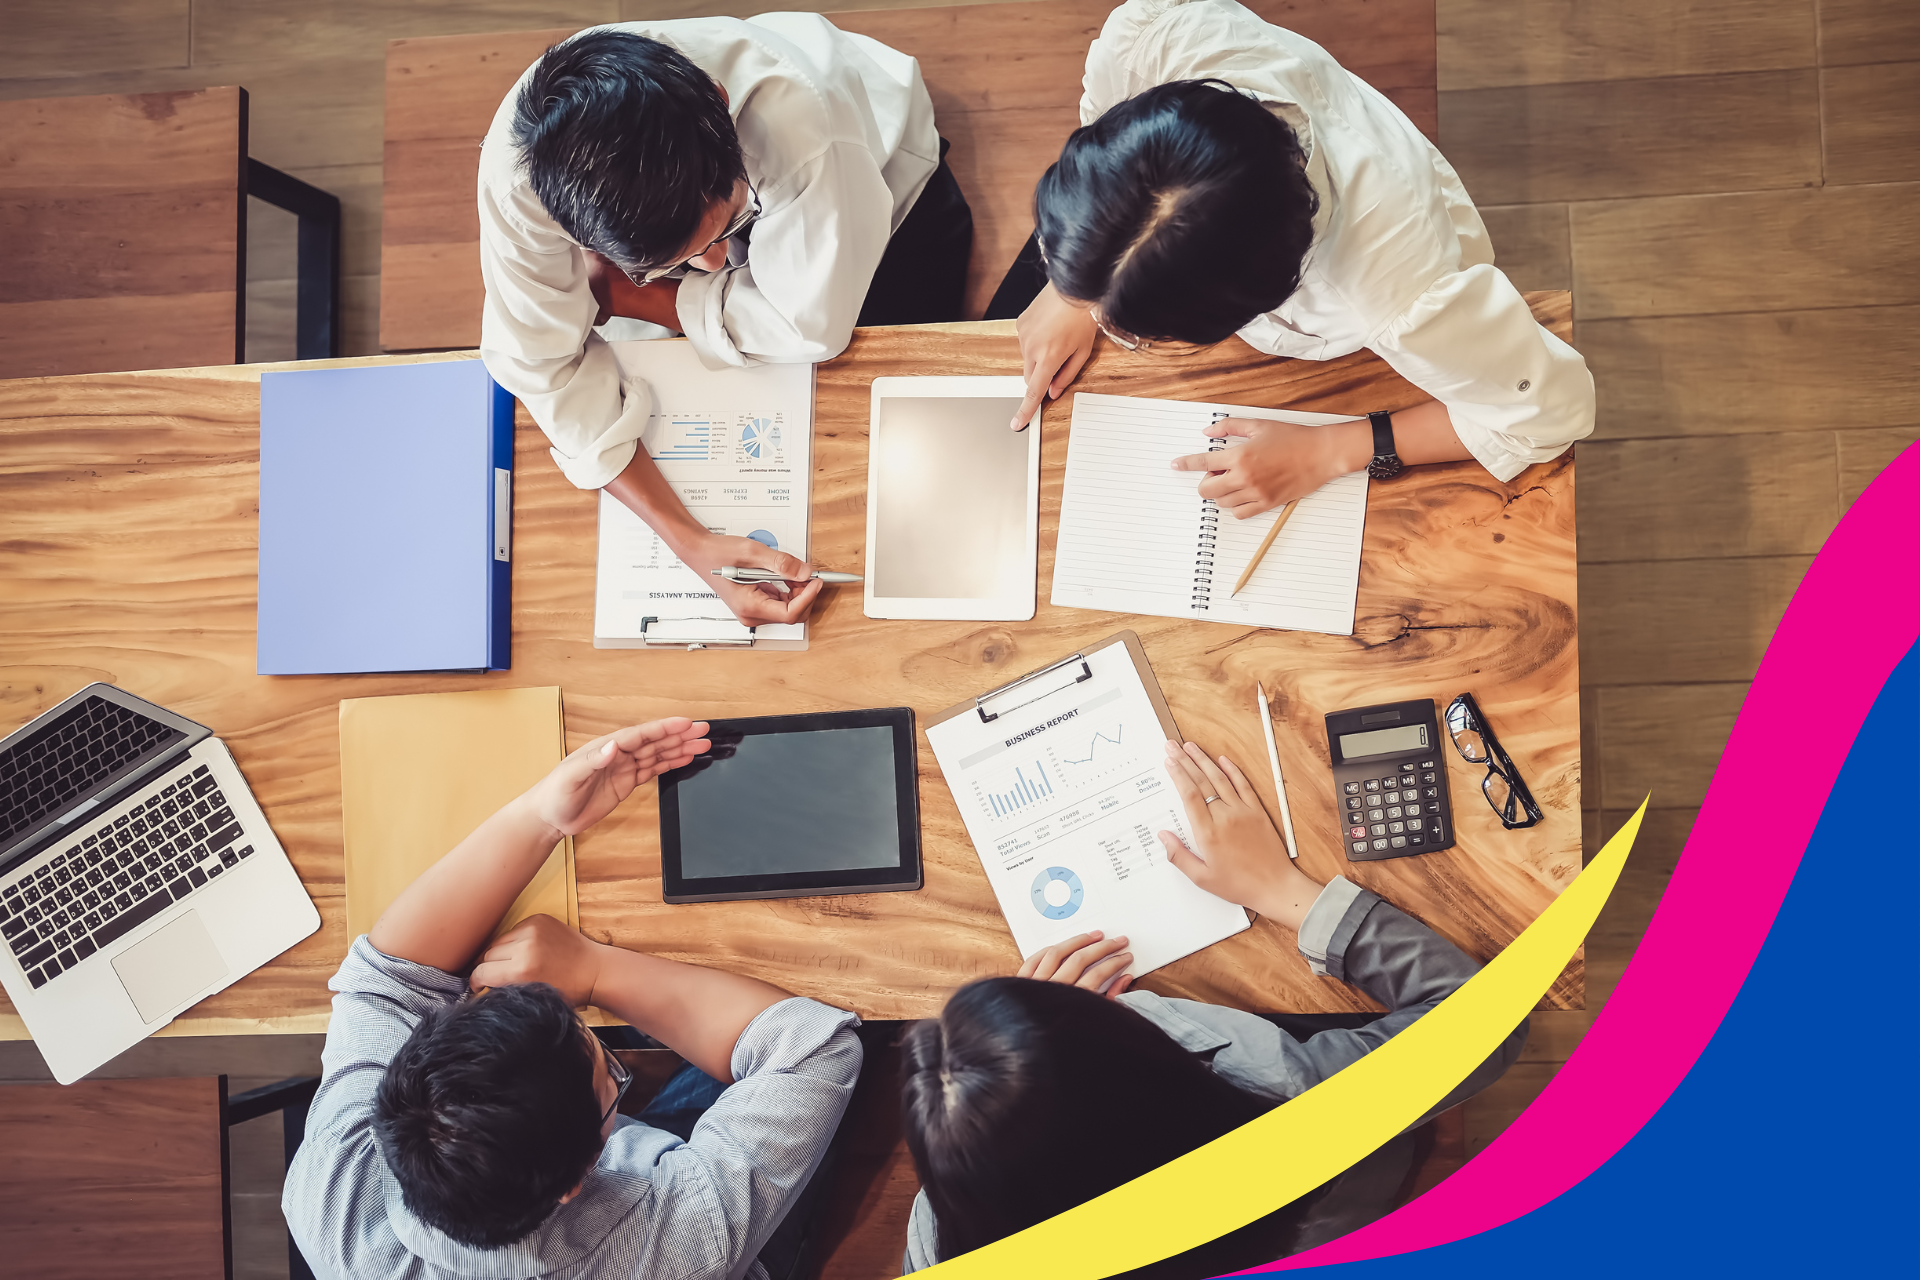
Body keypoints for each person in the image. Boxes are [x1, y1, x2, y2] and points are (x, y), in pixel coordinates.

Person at [899, 738, 1529, 1275]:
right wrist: (1282, 890)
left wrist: (1020, 1073)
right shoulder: (1288, 1096)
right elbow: (1486, 1025)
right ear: (1154, 1072)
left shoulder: (943, 1236)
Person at [282, 717, 864, 1280]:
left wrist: (540, 817)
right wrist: (594, 972)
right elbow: (815, 1046)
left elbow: (390, 982)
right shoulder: (676, 1246)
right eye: (607, 1076)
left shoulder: (331, 1194)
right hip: (688, 1229)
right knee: (852, 1014)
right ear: (576, 1181)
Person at [994, 0, 1594, 518]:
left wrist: (1330, 450)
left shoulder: (1399, 294)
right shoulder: (1156, 36)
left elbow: (1548, 415)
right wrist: (1087, 277)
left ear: (1262, 292)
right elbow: (1133, 183)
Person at [479, 17, 973, 628]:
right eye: (674, 263)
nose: (713, 266)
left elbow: (811, 326)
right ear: (572, 229)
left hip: (885, 185)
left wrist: (646, 298)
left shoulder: (802, 124)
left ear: (720, 99)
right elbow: (541, 366)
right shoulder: (520, 180)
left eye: (727, 226)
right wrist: (693, 545)